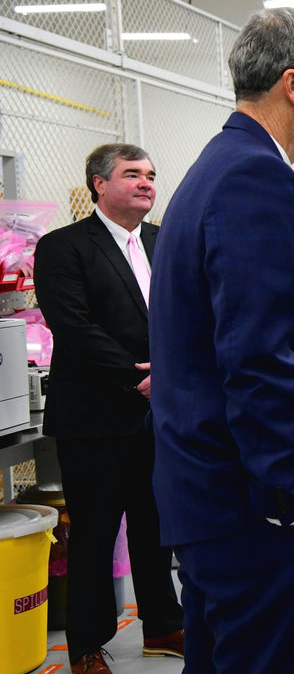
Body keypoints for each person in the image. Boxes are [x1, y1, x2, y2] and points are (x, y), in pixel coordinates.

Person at [148, 7, 294, 673]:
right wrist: (292, 498)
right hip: (256, 516)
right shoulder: (255, 177)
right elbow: (258, 356)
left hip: (212, 504)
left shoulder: (217, 166)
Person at [33, 144, 184, 674]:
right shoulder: (64, 247)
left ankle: (164, 625)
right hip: (95, 418)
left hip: (159, 415)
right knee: (96, 533)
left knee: (156, 525)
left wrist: (171, 376)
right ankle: (86, 645)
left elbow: (188, 314)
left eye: (151, 174)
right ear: (98, 184)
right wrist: (136, 378)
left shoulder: (165, 243)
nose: (146, 183)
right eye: (132, 174)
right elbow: (72, 327)